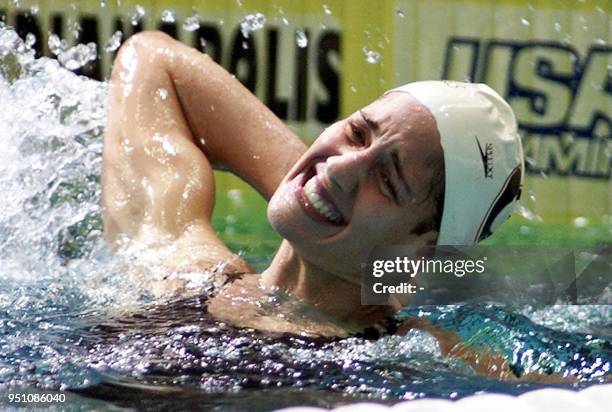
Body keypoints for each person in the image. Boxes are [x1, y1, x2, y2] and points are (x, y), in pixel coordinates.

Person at [102, 31, 526, 379]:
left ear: (421, 248)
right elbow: (153, 60)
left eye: (387, 179)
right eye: (359, 132)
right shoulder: (180, 267)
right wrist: (309, 188)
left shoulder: (407, 359)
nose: (342, 167)